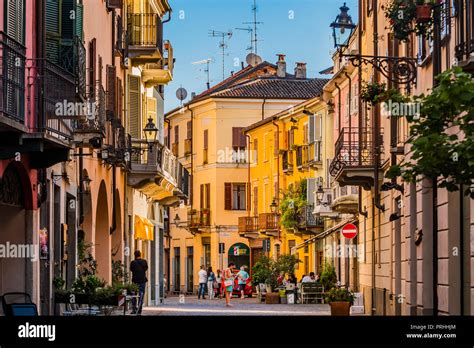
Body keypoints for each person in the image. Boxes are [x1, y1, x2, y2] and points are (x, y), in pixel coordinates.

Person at [130, 250, 148, 315]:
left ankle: (134, 309)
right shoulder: (144, 262)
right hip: (142, 281)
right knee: (141, 296)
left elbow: (131, 270)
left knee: (133, 295)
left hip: (135, 281)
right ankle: (139, 310)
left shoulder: (133, 262)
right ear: (140, 255)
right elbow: (146, 269)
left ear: (135, 255)